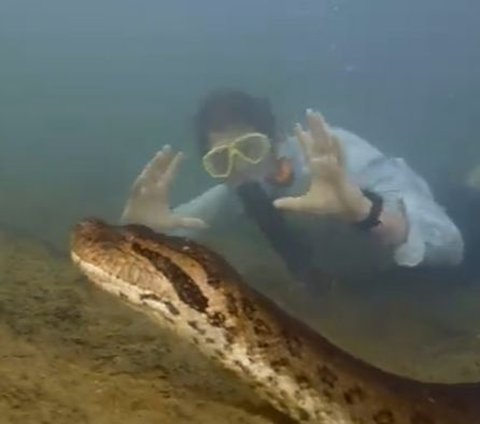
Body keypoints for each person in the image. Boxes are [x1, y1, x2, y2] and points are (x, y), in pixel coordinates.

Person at [120, 89, 464, 282]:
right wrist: (136, 231)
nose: (241, 169)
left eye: (251, 149)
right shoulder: (241, 191)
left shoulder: (337, 159)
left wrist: (364, 211)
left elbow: (450, 244)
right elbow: (171, 230)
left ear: (276, 138)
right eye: (222, 161)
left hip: (442, 260)